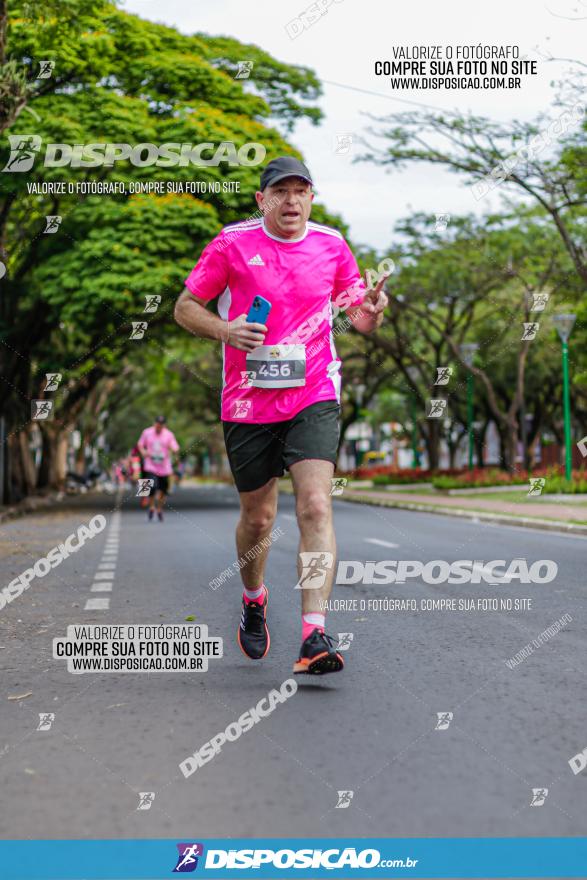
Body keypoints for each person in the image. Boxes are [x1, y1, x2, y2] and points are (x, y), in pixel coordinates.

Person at [174, 156, 387, 675]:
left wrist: (374, 311)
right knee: (260, 517)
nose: (291, 201)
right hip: (247, 398)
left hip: (314, 389)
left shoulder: (332, 245)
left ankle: (314, 633)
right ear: (261, 199)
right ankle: (253, 597)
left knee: (315, 505)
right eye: (281, 191)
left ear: (312, 197)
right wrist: (227, 330)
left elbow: (358, 316)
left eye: (301, 191)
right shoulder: (232, 244)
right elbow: (184, 307)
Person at [137, 416, 180, 521]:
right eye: (157, 424)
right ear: (154, 423)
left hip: (164, 467)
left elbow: (175, 446)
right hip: (150, 465)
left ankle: (159, 509)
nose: (159, 426)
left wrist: (175, 450)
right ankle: (151, 507)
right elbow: (140, 444)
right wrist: (143, 451)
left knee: (163, 490)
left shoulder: (169, 434)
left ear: (164, 425)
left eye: (161, 424)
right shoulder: (146, 432)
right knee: (152, 487)